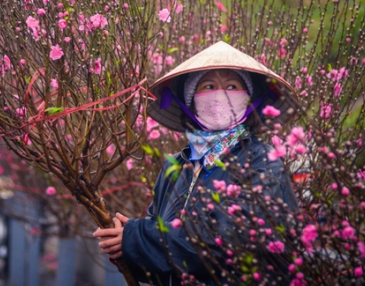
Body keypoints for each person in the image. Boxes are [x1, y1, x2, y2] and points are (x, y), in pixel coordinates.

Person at [94, 41, 300, 285]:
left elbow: (232, 241)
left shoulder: (262, 163)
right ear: (191, 101)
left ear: (247, 100)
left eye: (232, 86)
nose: (220, 94)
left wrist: (138, 237)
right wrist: (126, 248)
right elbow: (163, 258)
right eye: (208, 86)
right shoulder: (176, 168)